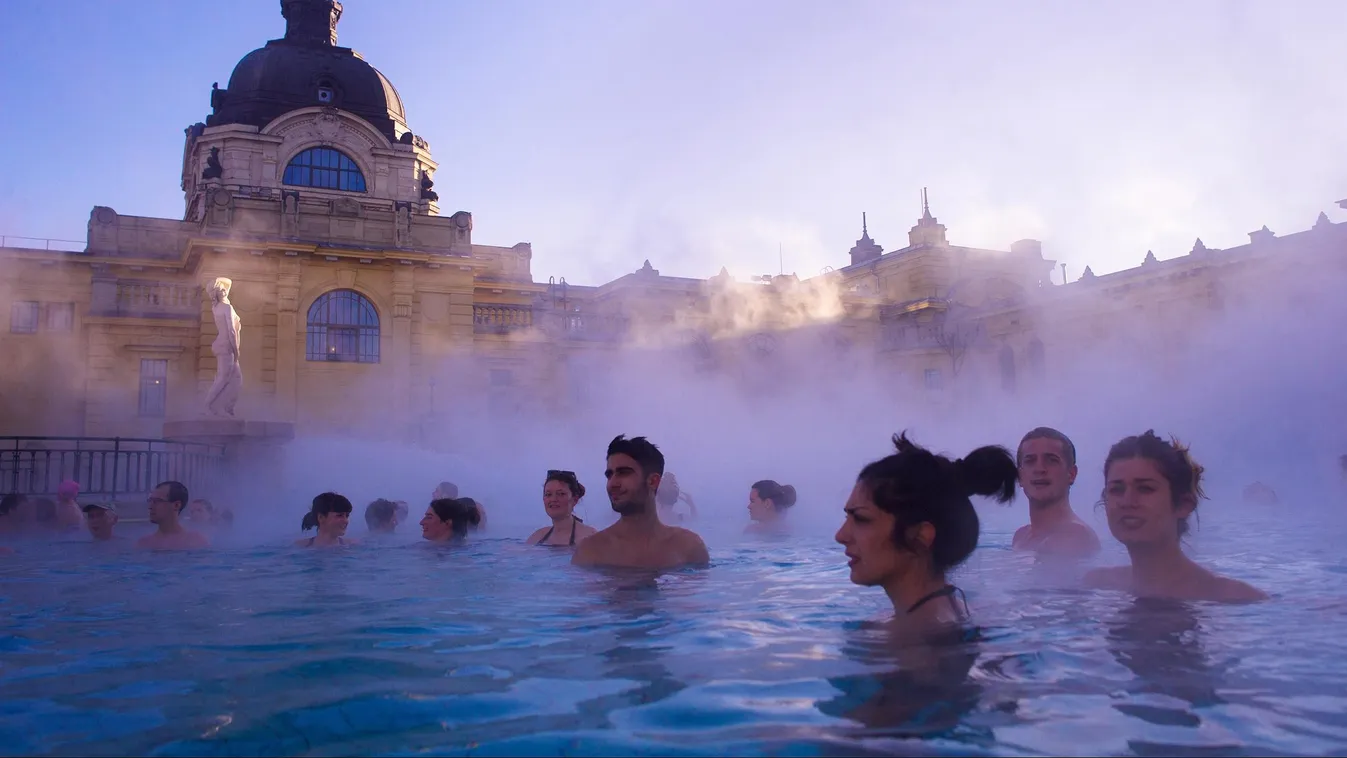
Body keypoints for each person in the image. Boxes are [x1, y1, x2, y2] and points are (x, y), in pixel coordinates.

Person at [835, 432, 1017, 629]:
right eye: (848, 518)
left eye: (861, 519)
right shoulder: (952, 612)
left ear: (920, 536)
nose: (841, 536)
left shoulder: (915, 643)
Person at [1084, 431, 1267, 602]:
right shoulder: (1098, 584)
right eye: (1116, 489)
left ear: (1183, 505)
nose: (1127, 501)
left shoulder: (1234, 599)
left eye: (1145, 488)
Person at [572, 435, 710, 570]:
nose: (612, 483)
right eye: (609, 475)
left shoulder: (688, 547)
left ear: (653, 481)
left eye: (623, 473)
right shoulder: (591, 550)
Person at [1012, 427, 1100, 558]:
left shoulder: (1075, 536)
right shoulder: (1020, 536)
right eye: (1030, 461)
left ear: (1071, 474)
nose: (1039, 469)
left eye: (1051, 460)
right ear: (1020, 476)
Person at [528, 470, 597, 547]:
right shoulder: (536, 538)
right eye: (548, 494)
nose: (553, 499)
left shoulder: (590, 537)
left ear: (575, 500)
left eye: (561, 494)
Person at [137, 481, 211, 550]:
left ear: (176, 505)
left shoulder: (195, 542)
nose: (150, 506)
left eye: (157, 501)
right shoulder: (143, 543)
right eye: (150, 501)